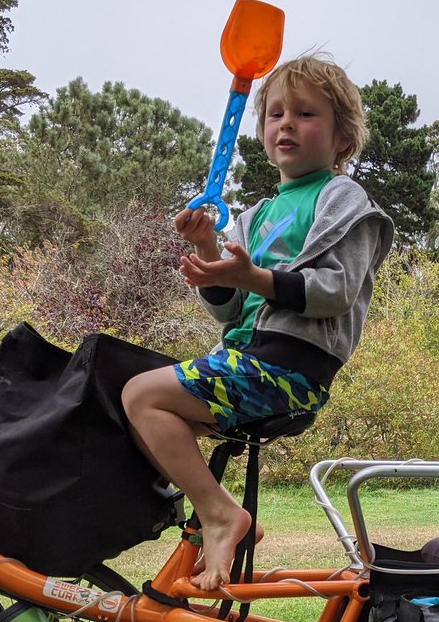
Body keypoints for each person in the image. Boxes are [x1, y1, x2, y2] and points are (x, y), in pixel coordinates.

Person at [123, 55, 393, 590]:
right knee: (128, 403)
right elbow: (229, 309)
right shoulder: (256, 216)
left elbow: (335, 290)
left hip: (290, 368)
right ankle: (209, 518)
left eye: (305, 114)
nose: (286, 124)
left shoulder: (340, 198)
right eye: (275, 114)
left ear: (342, 137)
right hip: (247, 357)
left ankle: (221, 515)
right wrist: (208, 250)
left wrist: (255, 277)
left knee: (141, 395)